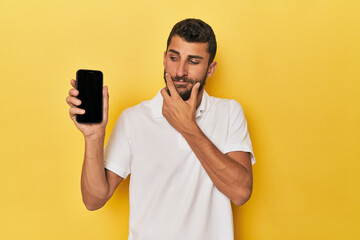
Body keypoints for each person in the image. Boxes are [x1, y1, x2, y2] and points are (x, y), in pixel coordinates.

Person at [66, 18, 255, 240]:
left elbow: (241, 192)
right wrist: (94, 137)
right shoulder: (134, 119)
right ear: (164, 58)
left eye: (193, 61)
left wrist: (187, 127)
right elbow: (93, 199)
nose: (180, 71)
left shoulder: (229, 112)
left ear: (210, 68)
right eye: (174, 58)